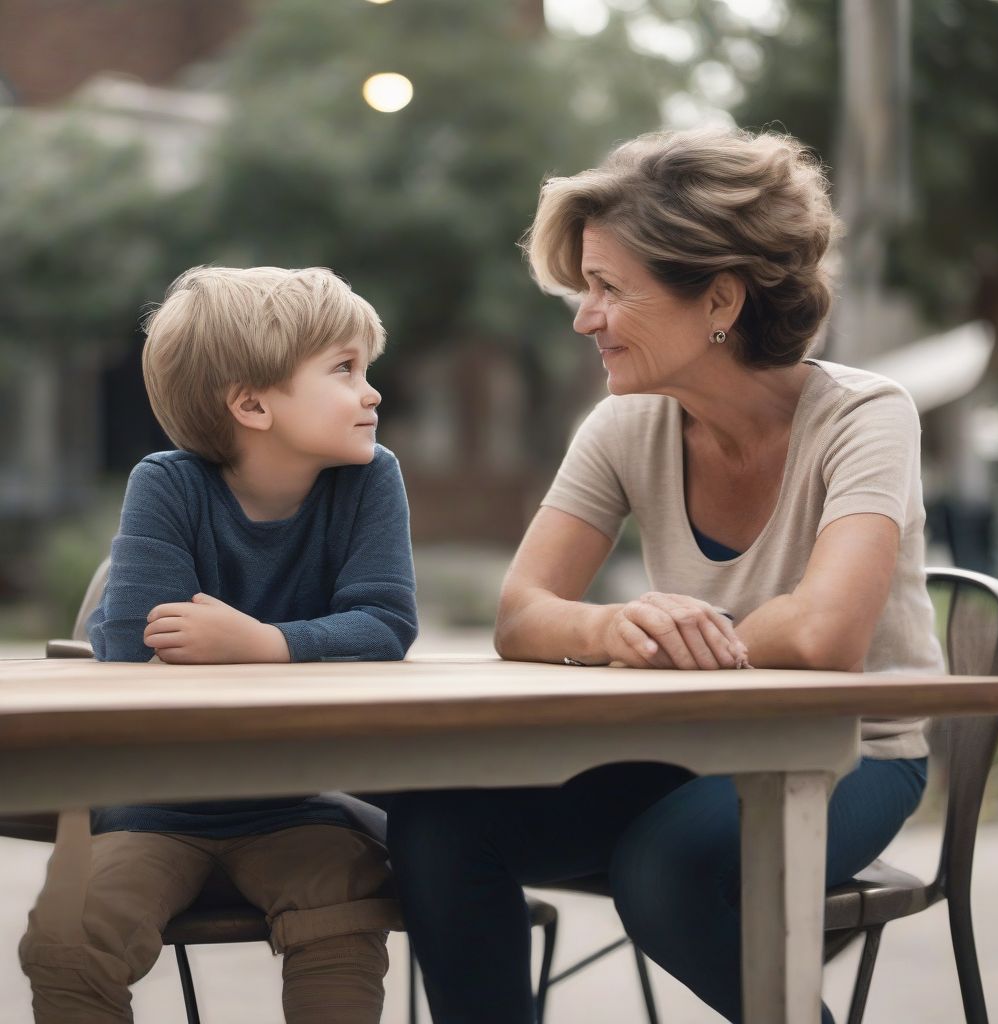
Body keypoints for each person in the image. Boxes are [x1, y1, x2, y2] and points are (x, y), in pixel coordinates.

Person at [386, 127, 941, 1024]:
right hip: (688, 745)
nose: (583, 318)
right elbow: (522, 615)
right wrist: (616, 628)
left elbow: (826, 638)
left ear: (719, 299)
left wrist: (672, 641)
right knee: (441, 827)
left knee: (664, 870)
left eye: (607, 289)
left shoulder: (866, 417)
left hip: (847, 750)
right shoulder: (625, 425)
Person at [19, 266, 418, 1024]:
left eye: (367, 369)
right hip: (154, 807)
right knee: (70, 937)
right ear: (251, 404)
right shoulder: (167, 485)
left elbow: (386, 626)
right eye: (344, 369)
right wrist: (290, 647)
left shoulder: (370, 478)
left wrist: (262, 642)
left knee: (344, 906)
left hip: (297, 799)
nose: (371, 393)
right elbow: (139, 649)